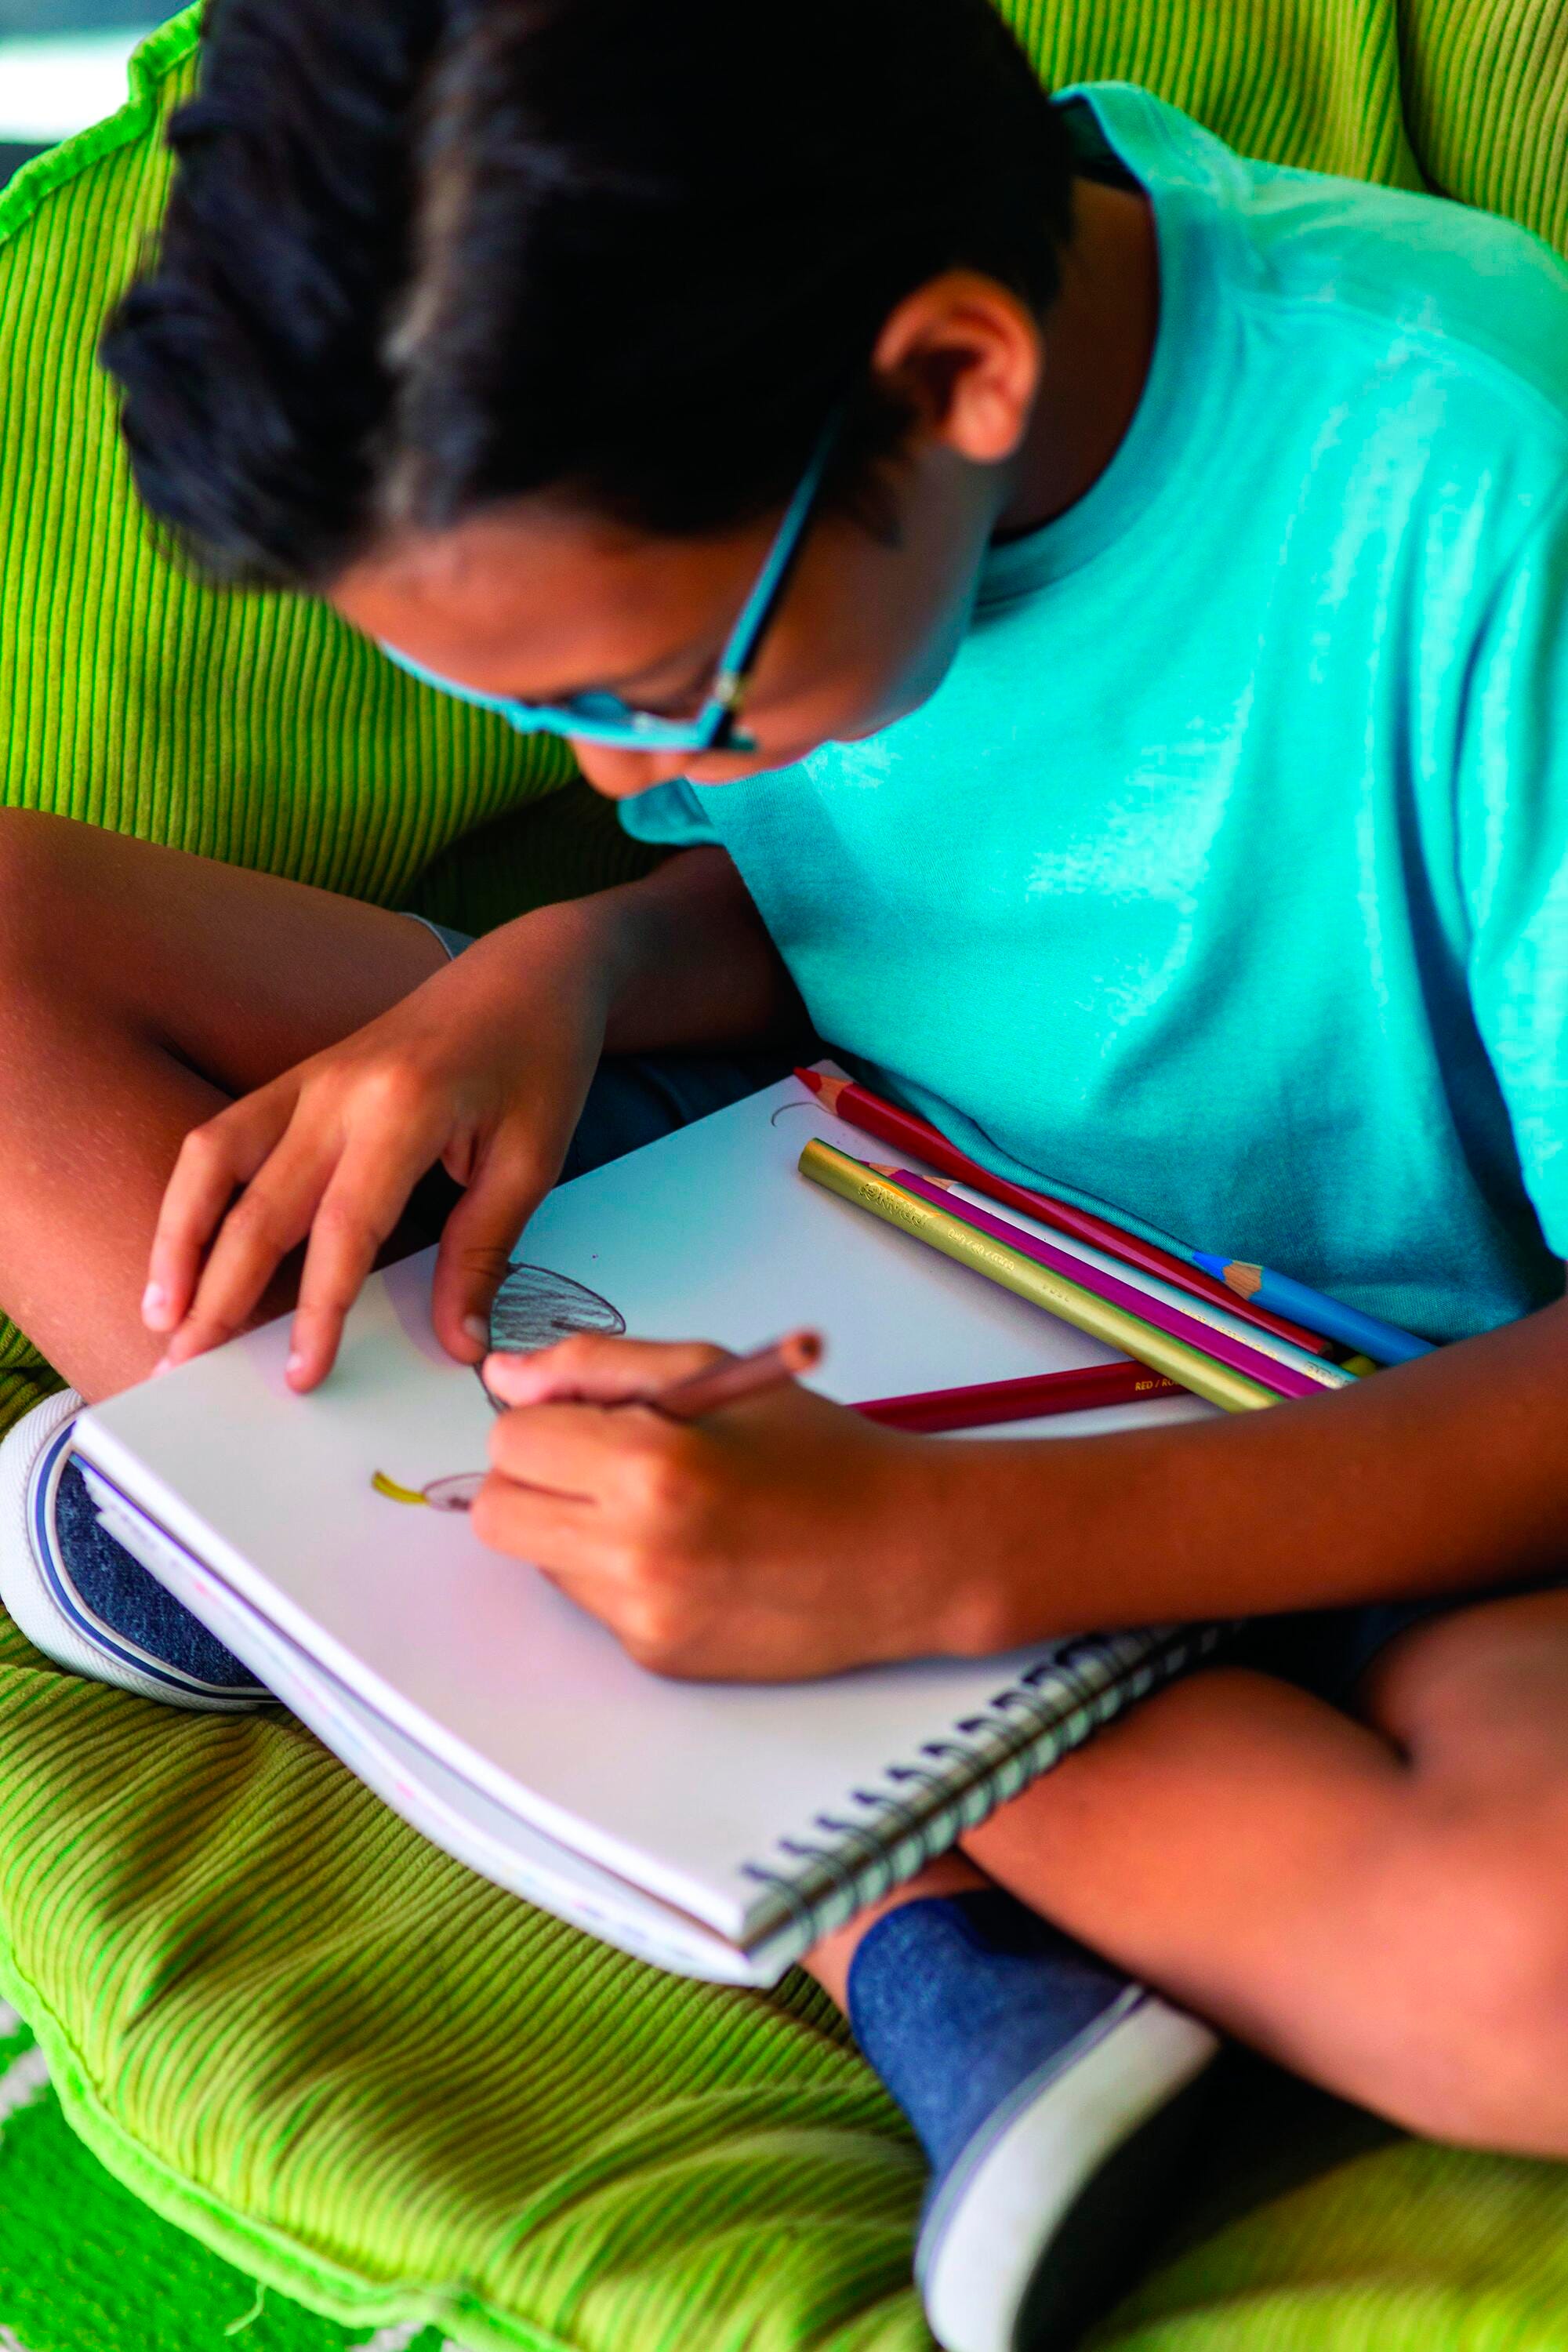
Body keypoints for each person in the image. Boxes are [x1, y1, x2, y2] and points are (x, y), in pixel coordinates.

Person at [2, 0, 1566, 2343]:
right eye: (524, 710)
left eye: (659, 694)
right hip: (822, 1192)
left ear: (954, 379)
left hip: (1344, 1415)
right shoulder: (763, 416)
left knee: (1530, 1963)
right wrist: (576, 961)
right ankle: (869, 1871)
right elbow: (891, 879)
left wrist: (937, 1561)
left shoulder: (1475, 478)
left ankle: (407, 1584)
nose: (613, 779)